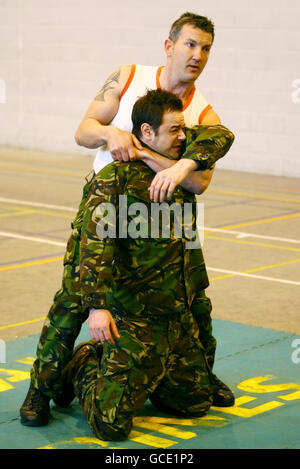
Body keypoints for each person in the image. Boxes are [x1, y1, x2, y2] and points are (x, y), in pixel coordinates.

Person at [20, 12, 234, 427]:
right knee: (74, 301)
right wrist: (110, 134)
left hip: (162, 220)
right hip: (108, 206)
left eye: (205, 48)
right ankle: (43, 386)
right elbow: (83, 131)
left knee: (194, 300)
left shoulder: (200, 112)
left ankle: (194, 374)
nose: (197, 55)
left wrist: (169, 163)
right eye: (190, 44)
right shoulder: (128, 75)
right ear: (169, 45)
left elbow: (202, 179)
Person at [53, 89, 234, 441]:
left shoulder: (181, 160)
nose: (183, 136)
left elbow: (223, 135)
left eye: (184, 129)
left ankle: (147, 378)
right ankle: (85, 364)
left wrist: (183, 165)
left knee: (195, 403)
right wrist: (97, 307)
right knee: (111, 426)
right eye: (175, 130)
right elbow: (95, 246)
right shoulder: (117, 179)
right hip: (134, 318)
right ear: (147, 132)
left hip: (174, 316)